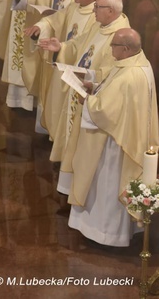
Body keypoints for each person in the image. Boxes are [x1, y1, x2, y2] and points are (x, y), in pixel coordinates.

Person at [68, 28, 159, 246]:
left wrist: (87, 100)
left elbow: (106, 112)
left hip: (115, 144)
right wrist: (97, 88)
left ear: (126, 49)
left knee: (106, 186)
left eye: (114, 46)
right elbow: (116, 97)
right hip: (123, 135)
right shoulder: (138, 64)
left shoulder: (130, 75)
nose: (110, 49)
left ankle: (105, 234)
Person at [38, 0, 130, 197]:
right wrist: (60, 46)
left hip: (92, 96)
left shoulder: (121, 35)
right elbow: (79, 44)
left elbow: (114, 73)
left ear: (111, 11)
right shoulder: (100, 26)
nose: (94, 11)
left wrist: (88, 75)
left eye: (97, 8)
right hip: (79, 89)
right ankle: (69, 180)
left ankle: (79, 184)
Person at [22, 0, 100, 133]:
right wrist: (40, 26)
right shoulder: (73, 7)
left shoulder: (97, 16)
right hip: (64, 63)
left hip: (79, 71)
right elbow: (53, 20)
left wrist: (63, 49)